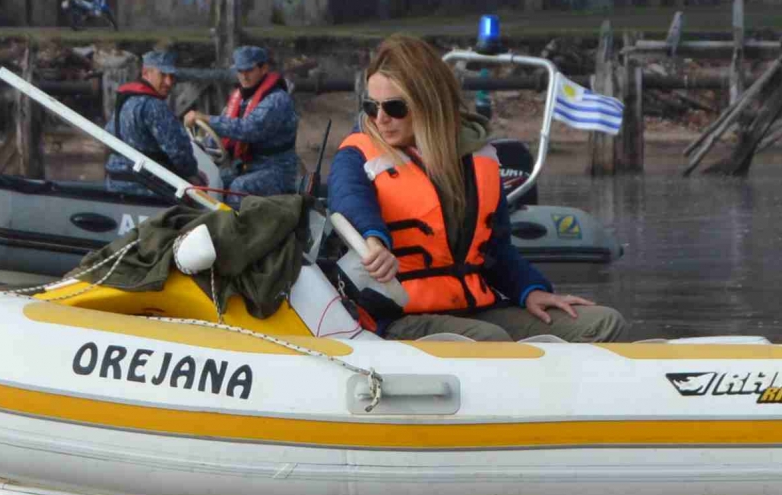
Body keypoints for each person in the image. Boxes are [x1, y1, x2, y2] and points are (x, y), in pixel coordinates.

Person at [324, 34, 622, 343]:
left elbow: (497, 250)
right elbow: (349, 200)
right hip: (398, 318)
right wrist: (374, 242)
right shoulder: (356, 154)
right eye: (371, 107)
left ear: (429, 103)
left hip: (474, 307)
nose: (381, 118)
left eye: (395, 107)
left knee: (603, 324)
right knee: (488, 338)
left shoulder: (478, 157)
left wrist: (529, 290)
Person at [196, 43, 303, 195]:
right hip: (247, 166)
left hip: (278, 170)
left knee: (239, 188)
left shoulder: (277, 99)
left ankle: (233, 219)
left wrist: (207, 119)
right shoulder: (240, 99)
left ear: (264, 69)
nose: (244, 76)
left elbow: (249, 129)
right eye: (240, 71)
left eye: (249, 70)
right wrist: (201, 145)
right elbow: (223, 129)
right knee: (210, 182)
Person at [104, 48, 203, 198]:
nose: (169, 82)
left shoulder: (123, 101)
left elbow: (108, 133)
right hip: (146, 185)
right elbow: (178, 151)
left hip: (116, 180)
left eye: (171, 76)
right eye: (162, 75)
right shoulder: (154, 106)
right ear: (146, 73)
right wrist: (193, 174)